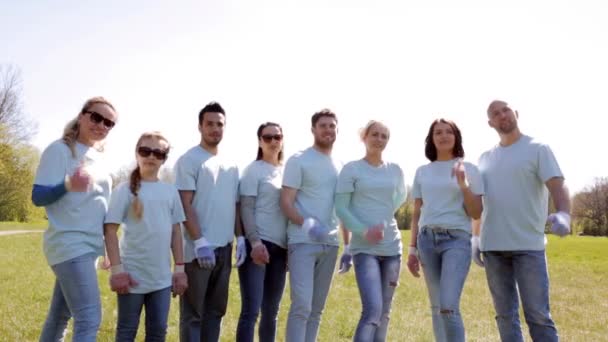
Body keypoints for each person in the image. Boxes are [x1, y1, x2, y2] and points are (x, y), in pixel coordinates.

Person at [475, 100, 571, 342]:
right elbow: (479, 203)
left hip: (529, 247)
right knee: (505, 316)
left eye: (505, 109)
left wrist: (564, 213)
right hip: (493, 248)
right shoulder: (485, 158)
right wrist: (475, 237)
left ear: (515, 113)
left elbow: (557, 186)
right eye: (495, 113)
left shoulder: (538, 148)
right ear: (490, 123)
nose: (502, 115)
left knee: (538, 316)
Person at [32, 97, 118, 341]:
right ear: (82, 115)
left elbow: (100, 206)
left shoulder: (100, 157)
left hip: (89, 247)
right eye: (96, 117)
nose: (102, 125)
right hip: (69, 243)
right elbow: (38, 196)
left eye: (109, 123)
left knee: (60, 316)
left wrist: (108, 249)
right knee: (89, 317)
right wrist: (69, 184)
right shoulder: (59, 150)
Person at [104, 131, 188, 341]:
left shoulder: (170, 192)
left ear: (164, 159)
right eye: (145, 151)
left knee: (158, 332)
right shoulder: (124, 190)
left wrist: (179, 270)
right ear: (137, 154)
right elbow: (110, 231)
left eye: (158, 153)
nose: (151, 156)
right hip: (131, 277)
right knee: (126, 331)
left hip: (161, 280)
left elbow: (176, 233)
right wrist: (117, 271)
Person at [406, 118, 484, 342]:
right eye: (437, 132)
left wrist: (463, 185)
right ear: (431, 139)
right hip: (426, 240)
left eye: (448, 132)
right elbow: (417, 212)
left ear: (456, 136)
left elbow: (476, 212)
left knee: (448, 306)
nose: (443, 136)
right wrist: (412, 250)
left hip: (456, 241)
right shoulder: (423, 171)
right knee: (436, 306)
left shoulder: (469, 169)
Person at [174, 101, 245, 342]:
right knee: (194, 314)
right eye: (210, 124)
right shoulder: (189, 160)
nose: (215, 128)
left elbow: (235, 205)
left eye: (220, 124)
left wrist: (241, 238)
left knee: (216, 312)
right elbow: (185, 204)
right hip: (198, 250)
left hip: (224, 249)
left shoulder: (232, 164)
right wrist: (199, 240)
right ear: (200, 126)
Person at [334, 120, 406, 342]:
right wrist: (365, 231)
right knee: (373, 310)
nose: (380, 140)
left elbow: (400, 197)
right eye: (375, 134)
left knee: (384, 313)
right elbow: (341, 209)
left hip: (392, 248)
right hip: (365, 250)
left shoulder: (395, 170)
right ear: (364, 137)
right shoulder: (352, 169)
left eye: (384, 136)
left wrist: (383, 220)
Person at [280, 109, 346, 342]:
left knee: (317, 310)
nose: (328, 130)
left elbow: (343, 206)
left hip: (330, 244)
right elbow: (285, 201)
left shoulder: (341, 164)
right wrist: (306, 224)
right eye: (323, 126)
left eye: (332, 126)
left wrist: (347, 246)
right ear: (313, 130)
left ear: (337, 129)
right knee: (302, 306)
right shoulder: (299, 160)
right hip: (303, 241)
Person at [236, 122, 289, 342]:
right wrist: (255, 243)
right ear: (259, 141)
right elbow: (246, 208)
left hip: (282, 249)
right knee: (252, 310)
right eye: (268, 137)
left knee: (272, 311)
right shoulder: (253, 170)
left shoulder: (287, 171)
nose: (273, 141)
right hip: (258, 246)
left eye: (277, 137)